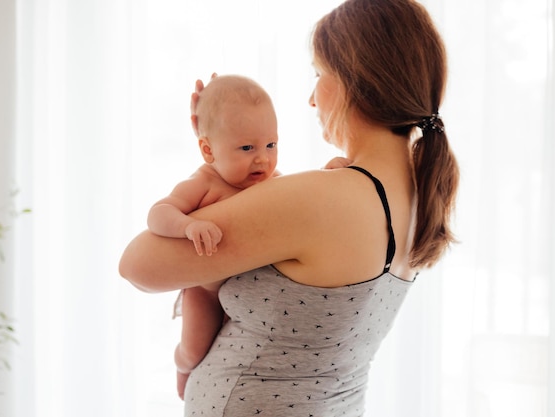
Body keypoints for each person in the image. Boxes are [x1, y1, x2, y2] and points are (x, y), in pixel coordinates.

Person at [119, 0, 459, 415]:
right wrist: (222, 138)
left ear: (356, 81)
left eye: (319, 74)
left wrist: (215, 158)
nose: (312, 99)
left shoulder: (325, 197)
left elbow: (137, 265)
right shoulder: (419, 190)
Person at [146, 74, 280, 400]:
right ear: (208, 150)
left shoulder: (272, 180)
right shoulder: (204, 181)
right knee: (195, 350)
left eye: (271, 145)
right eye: (247, 148)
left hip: (251, 291)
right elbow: (158, 213)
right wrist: (187, 226)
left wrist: (331, 172)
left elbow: (309, 195)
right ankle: (181, 366)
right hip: (206, 292)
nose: (262, 158)